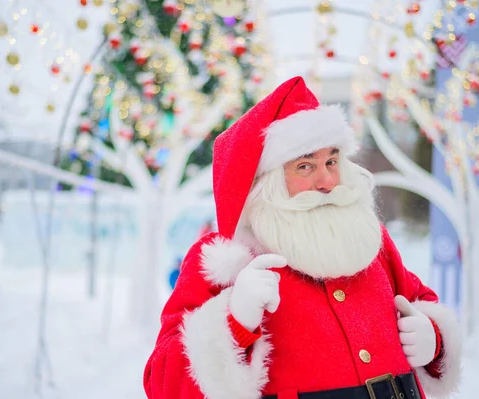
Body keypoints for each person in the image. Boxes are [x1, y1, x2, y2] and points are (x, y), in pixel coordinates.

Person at [144, 77, 461, 399]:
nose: (327, 181)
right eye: (305, 166)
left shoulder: (368, 239)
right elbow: (163, 385)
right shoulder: (225, 257)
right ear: (267, 181)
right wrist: (233, 322)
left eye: (331, 161)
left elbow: (420, 303)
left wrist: (434, 338)